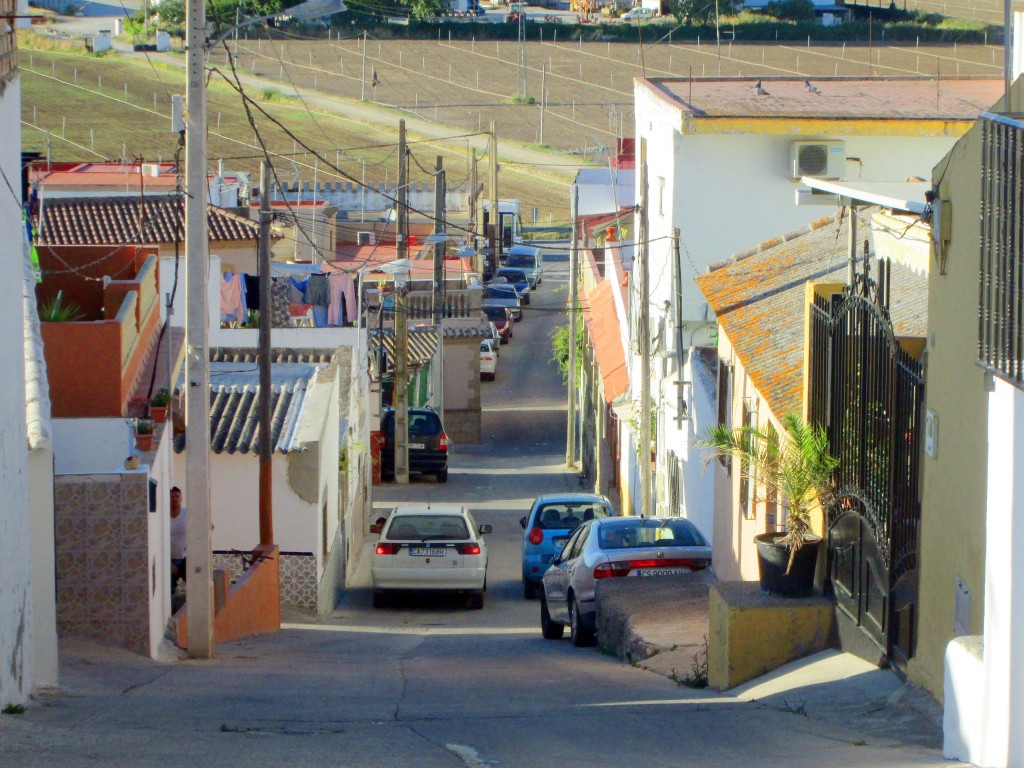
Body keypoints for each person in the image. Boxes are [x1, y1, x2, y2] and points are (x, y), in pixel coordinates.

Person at [170, 487, 186, 599]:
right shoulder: (162, 516)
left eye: (177, 496)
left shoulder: (187, 513)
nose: (174, 499)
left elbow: (208, 525)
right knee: (168, 591)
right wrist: (168, 564)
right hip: (169, 561)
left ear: (181, 498)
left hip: (185, 558)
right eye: (172, 496)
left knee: (197, 584)